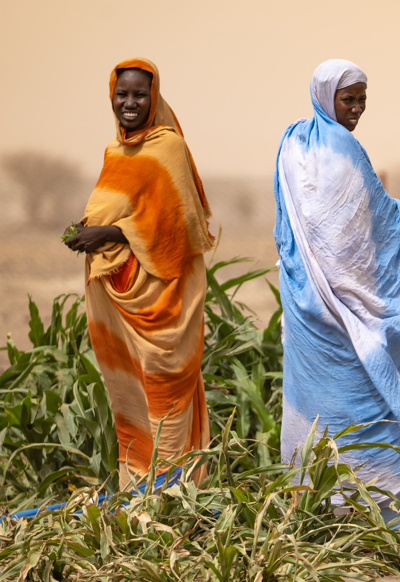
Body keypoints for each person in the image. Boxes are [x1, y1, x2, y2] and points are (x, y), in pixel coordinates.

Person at [273, 59, 400, 521]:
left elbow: (348, 224)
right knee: (368, 397)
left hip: (305, 299)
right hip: (338, 308)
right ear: (324, 95)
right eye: (347, 100)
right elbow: (374, 225)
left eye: (361, 101)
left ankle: (320, 509)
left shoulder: (290, 140)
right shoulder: (339, 145)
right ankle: (387, 513)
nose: (354, 110)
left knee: (328, 401)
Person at [64, 58, 214, 489]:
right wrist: (88, 229)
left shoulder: (168, 147)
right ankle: (137, 494)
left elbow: (179, 227)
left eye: (139, 95)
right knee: (130, 393)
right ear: (111, 97)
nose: (129, 103)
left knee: (165, 393)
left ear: (155, 98)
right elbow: (118, 207)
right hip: (122, 296)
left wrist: (108, 232)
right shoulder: (114, 152)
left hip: (162, 301)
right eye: (122, 94)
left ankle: (173, 496)